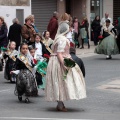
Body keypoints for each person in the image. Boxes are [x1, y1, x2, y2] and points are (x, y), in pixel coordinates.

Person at [45, 21, 86, 112]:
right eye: (69, 28)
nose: (70, 30)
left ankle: (60, 103)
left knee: (59, 83)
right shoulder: (63, 39)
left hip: (55, 60)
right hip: (59, 61)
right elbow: (59, 53)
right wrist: (64, 64)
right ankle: (60, 104)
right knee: (62, 82)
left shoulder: (57, 38)